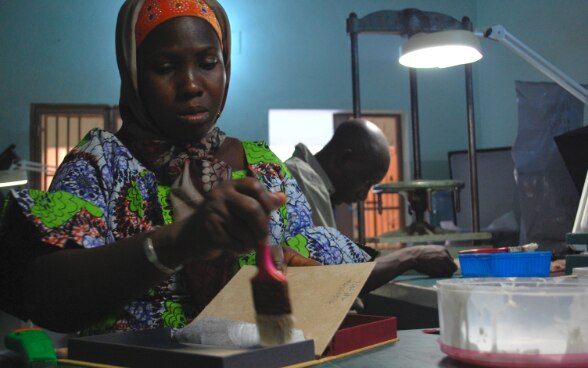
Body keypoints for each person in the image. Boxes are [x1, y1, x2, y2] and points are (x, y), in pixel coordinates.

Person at [0, 0, 363, 336]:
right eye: (165, 67)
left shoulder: (265, 168)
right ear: (133, 72)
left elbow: (305, 268)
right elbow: (47, 297)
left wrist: (301, 277)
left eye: (208, 63)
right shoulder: (99, 163)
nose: (191, 85)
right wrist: (179, 241)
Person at [285, 118, 457, 291]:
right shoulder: (302, 179)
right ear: (344, 159)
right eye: (366, 181)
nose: (363, 195)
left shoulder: (310, 182)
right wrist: (413, 255)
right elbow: (335, 278)